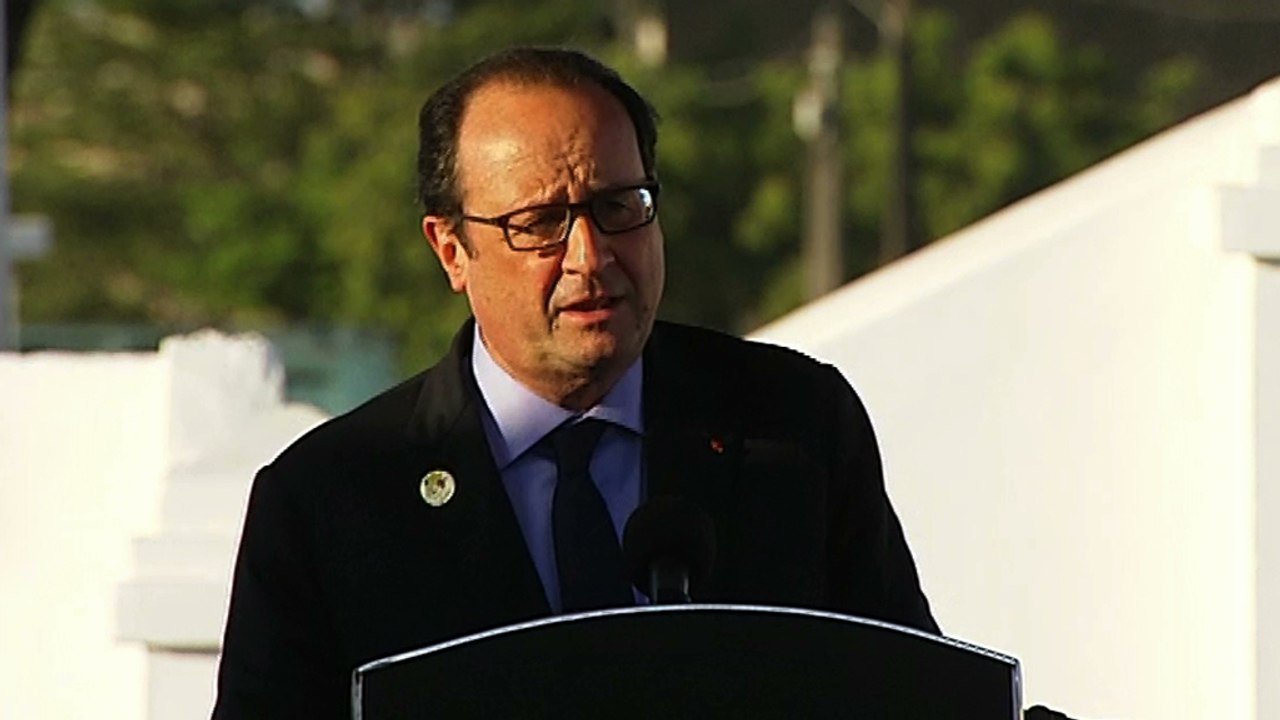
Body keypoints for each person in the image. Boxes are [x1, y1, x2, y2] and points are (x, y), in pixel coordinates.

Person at [212, 46, 938, 719]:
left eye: (618, 208)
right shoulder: (330, 500)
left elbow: (911, 689)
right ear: (451, 250)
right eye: (539, 224)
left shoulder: (793, 427)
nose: (590, 258)